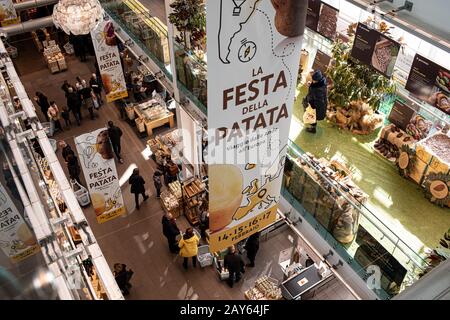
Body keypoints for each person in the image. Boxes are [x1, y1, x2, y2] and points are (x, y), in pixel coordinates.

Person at [303, 70, 328, 134]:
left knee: (312, 116)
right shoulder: (322, 82)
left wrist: (312, 106)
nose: (313, 81)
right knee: (312, 115)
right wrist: (310, 85)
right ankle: (312, 126)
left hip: (316, 106)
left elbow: (318, 100)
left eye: (314, 80)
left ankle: (313, 129)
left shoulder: (318, 89)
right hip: (316, 104)